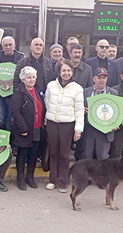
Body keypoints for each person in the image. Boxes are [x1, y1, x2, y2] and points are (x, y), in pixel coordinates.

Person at [44, 59, 84, 192]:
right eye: (63, 70)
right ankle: (52, 180)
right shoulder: (51, 86)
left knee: (64, 154)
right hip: (52, 123)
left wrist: (78, 129)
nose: (66, 73)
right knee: (53, 152)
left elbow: (79, 110)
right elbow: (47, 102)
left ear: (72, 72)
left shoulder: (77, 89)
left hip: (67, 125)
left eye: (68, 70)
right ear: (59, 72)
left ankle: (63, 182)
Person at [11, 66, 45, 191]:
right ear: (23, 79)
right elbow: (15, 112)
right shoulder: (19, 92)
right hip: (24, 129)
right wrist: (23, 128)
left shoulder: (37, 90)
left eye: (33, 77)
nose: (31, 80)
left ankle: (30, 177)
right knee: (22, 154)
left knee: (33, 153)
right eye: (28, 78)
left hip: (37, 127)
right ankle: (20, 178)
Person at [82, 67, 119, 161]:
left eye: (104, 77)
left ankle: (101, 176)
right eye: (99, 77)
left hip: (105, 131)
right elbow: (78, 108)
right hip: (89, 130)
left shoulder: (114, 93)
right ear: (94, 78)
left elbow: (117, 112)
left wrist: (115, 124)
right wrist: (82, 110)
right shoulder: (85, 92)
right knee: (87, 157)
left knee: (102, 159)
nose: (102, 80)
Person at [0, 36, 25, 129]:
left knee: (12, 120)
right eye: (5, 45)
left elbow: (23, 75)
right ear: (2, 46)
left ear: (14, 45)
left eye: (10, 44)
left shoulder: (21, 57)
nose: (8, 47)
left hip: (14, 94)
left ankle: (11, 141)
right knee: (0, 120)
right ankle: (2, 142)